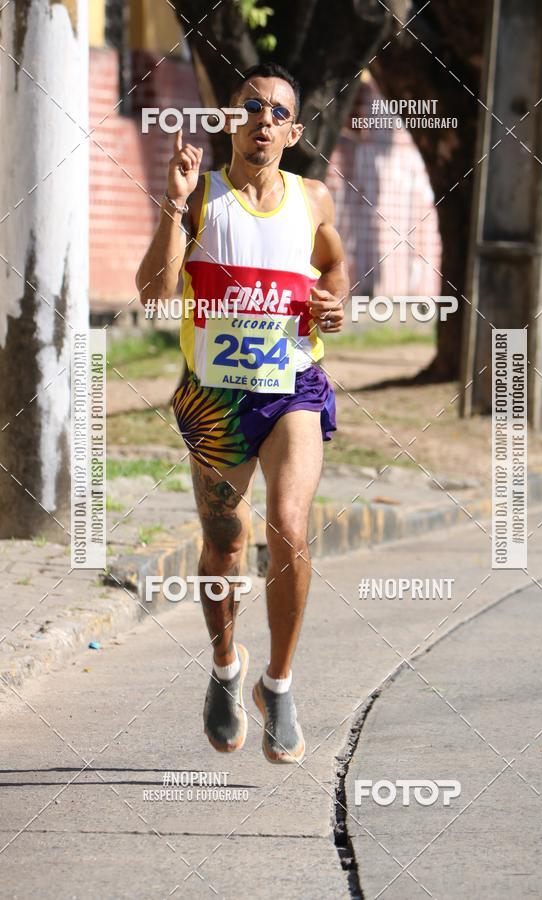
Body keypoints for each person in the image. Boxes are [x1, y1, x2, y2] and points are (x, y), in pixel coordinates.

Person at [136, 63, 348, 764]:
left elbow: (335, 269)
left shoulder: (312, 199)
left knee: (289, 526)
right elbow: (155, 293)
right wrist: (173, 204)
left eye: (277, 110)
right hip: (215, 401)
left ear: (293, 130)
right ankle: (227, 666)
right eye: (249, 106)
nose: (263, 118)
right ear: (230, 119)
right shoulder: (203, 200)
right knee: (226, 543)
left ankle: (278, 684)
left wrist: (335, 304)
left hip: (292, 385)